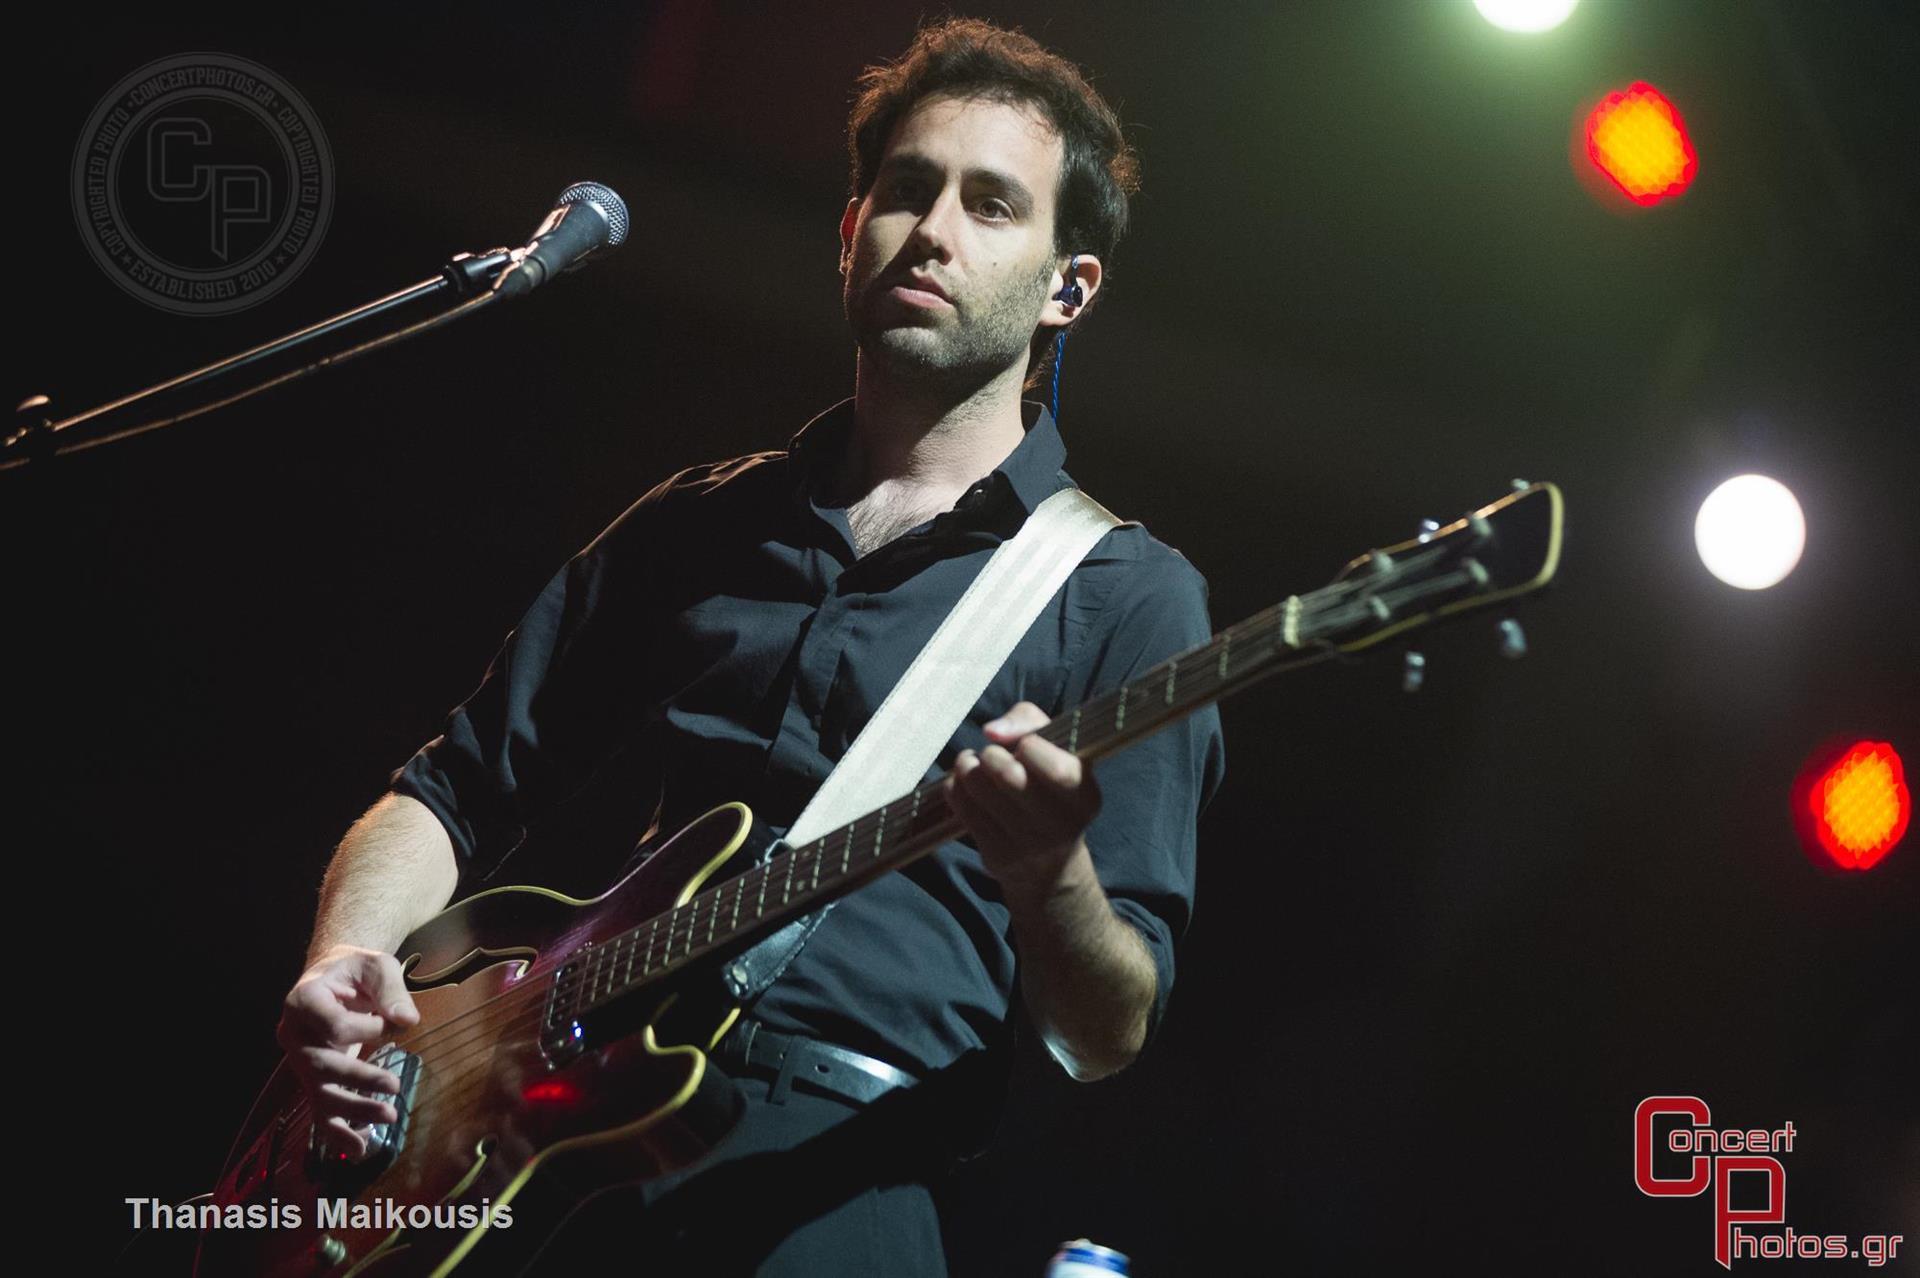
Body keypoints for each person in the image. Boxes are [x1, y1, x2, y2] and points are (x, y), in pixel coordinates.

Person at [274, 18, 1225, 1275]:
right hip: (563, 1169)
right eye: (904, 189)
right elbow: (449, 789)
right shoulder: (699, 526)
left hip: (834, 1194)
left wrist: (1049, 874)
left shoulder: (1125, 596)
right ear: (848, 236)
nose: (932, 229)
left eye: (993, 206)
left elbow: (1108, 1028)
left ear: (1068, 288)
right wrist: (346, 958)